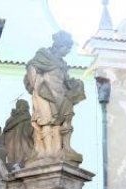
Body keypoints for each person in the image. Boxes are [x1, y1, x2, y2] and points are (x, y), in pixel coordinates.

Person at [24, 30, 86, 163]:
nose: (68, 51)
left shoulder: (62, 63)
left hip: (60, 96)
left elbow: (65, 82)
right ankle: (46, 152)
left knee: (60, 122)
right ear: (60, 45)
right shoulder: (43, 55)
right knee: (46, 121)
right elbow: (31, 68)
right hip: (45, 94)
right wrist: (37, 83)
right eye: (67, 48)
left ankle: (60, 150)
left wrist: (74, 84)